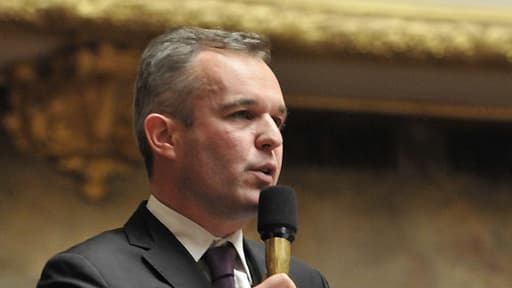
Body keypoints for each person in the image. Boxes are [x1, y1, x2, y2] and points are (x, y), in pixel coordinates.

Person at [37, 26, 329, 288]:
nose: (273, 138)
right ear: (165, 136)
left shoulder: (305, 282)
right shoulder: (88, 275)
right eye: (242, 114)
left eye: (277, 121)